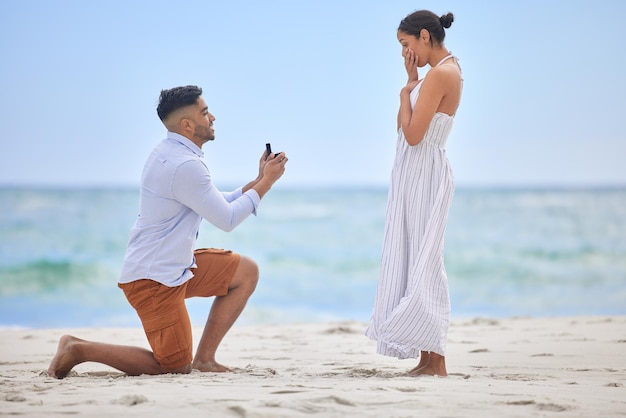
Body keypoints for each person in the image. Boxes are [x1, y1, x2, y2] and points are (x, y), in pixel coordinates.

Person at [48, 85, 288, 378]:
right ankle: (77, 349)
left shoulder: (173, 152)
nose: (212, 117)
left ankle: (206, 360)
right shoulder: (183, 164)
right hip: (153, 281)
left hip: (175, 266)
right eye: (204, 112)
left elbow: (215, 201)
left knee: (245, 272)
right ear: (187, 125)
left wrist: (259, 178)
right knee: (173, 367)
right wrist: (268, 182)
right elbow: (226, 220)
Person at [365, 10, 463, 377]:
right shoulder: (436, 73)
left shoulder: (442, 73)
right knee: (413, 258)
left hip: (424, 171)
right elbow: (401, 125)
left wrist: (407, 90)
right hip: (415, 171)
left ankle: (435, 361)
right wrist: (410, 82)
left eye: (407, 45)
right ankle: (426, 358)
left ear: (425, 36)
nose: (406, 52)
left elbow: (412, 134)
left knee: (426, 262)